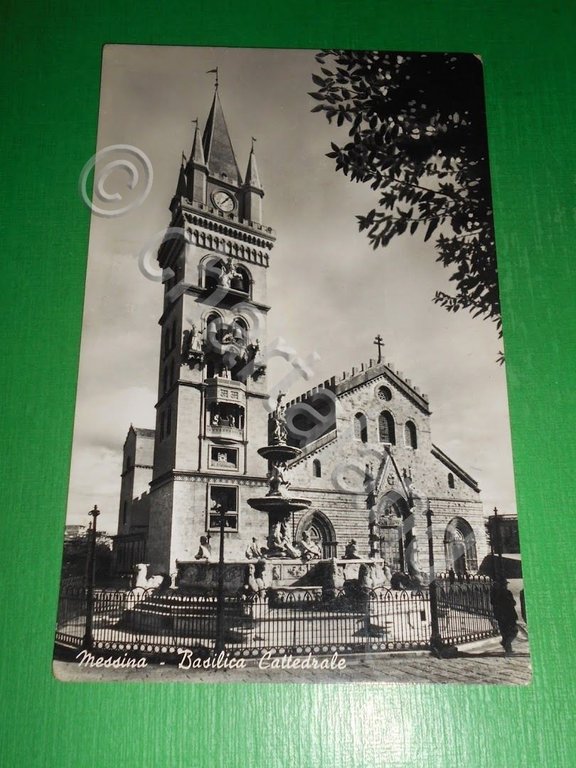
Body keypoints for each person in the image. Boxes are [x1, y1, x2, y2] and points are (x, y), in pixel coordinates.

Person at [490, 579, 518, 654]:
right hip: (502, 616)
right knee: (505, 633)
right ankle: (508, 649)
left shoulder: (508, 592)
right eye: (504, 585)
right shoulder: (495, 594)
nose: (505, 586)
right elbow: (494, 603)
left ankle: (505, 644)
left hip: (510, 615)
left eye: (505, 585)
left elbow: (513, 602)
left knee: (513, 631)